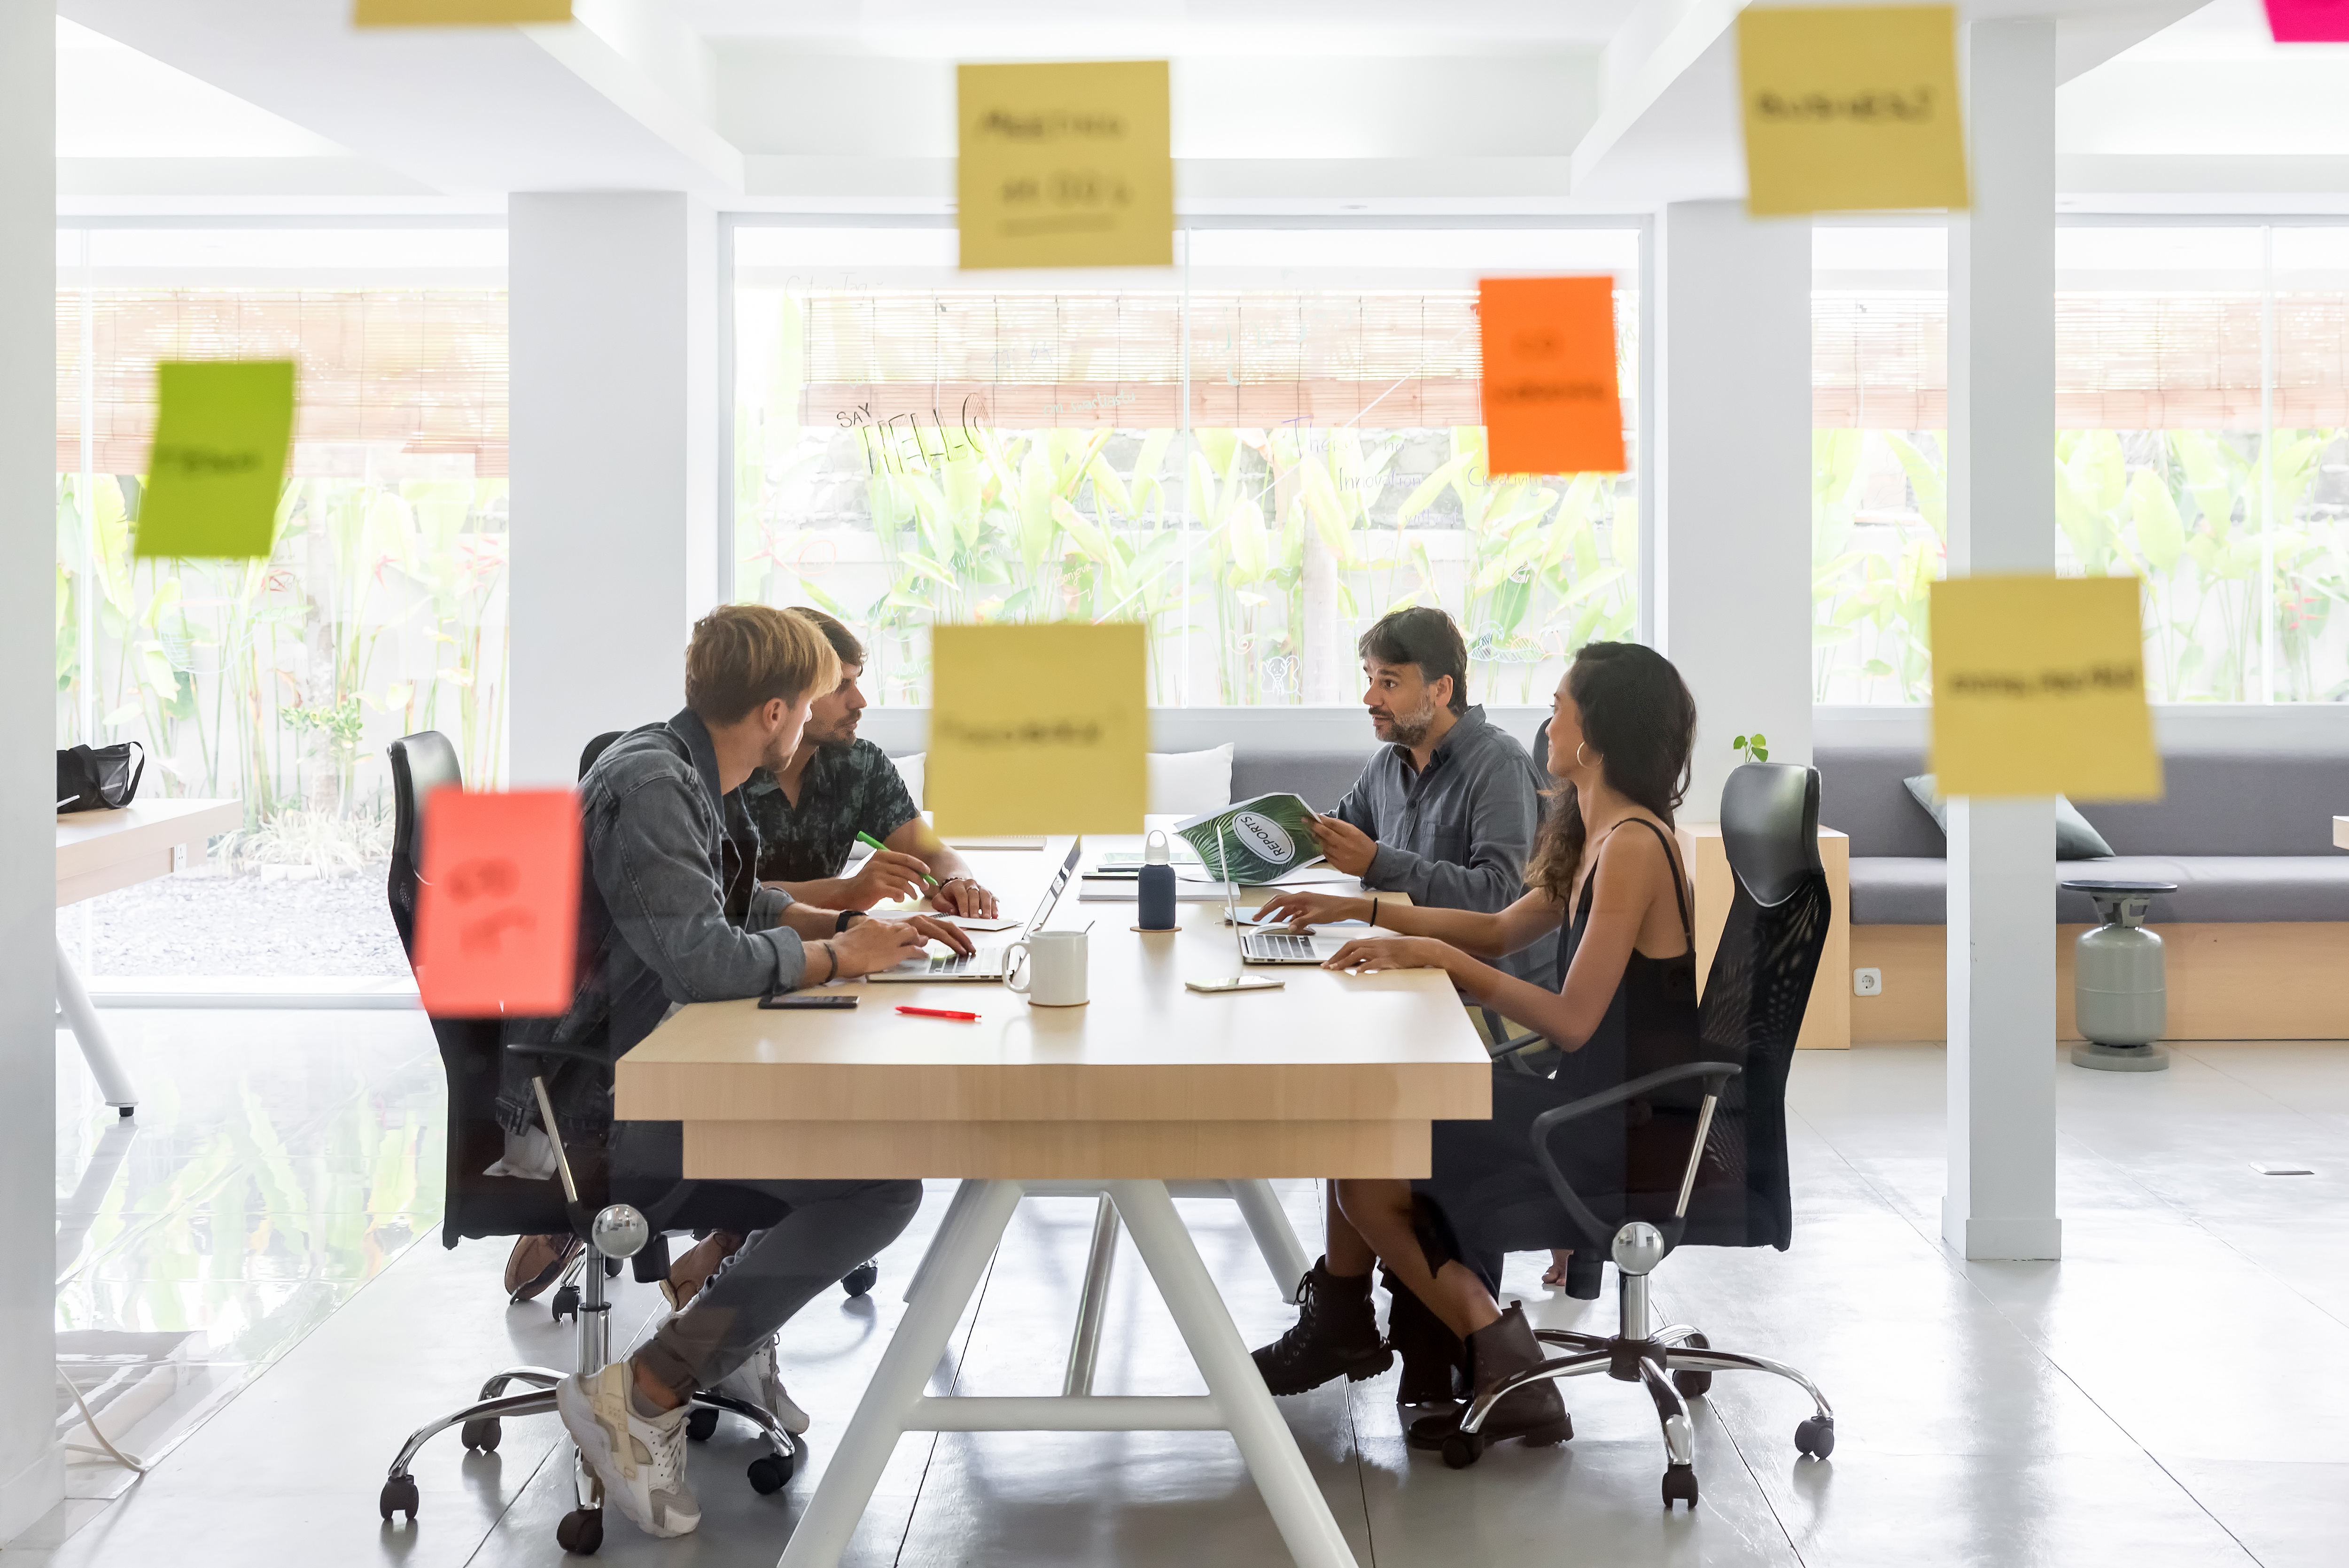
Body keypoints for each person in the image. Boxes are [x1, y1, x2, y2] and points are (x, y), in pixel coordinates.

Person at [500, 603, 976, 1540]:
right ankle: (648, 1388)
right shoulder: (651, 785)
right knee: (874, 1189)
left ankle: (719, 1341)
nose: (815, 721)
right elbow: (706, 960)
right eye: (811, 701)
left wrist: (851, 932)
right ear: (772, 712)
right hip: (600, 1108)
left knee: (863, 1163)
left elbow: (733, 901)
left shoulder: (674, 765)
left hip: (638, 1069)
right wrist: (843, 959)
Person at [1250, 642, 1699, 1454]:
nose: (1549, 721)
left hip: (1618, 1122)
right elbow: (1498, 927)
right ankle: (1478, 1350)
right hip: (1593, 1097)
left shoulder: (1633, 845)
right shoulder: (1598, 830)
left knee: (1369, 1159)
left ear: (1594, 734)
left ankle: (1493, 1349)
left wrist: (1444, 961)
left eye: (1561, 705)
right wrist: (1365, 912)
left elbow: (1570, 1019)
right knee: (1373, 1138)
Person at [1309, 607, 1546, 986]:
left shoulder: (1501, 767)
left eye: (1389, 683)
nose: (1370, 697)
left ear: (1441, 690)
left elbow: (1496, 900)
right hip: (1400, 963)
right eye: (1369, 678)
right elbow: (1333, 836)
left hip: (1477, 993)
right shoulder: (1387, 763)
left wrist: (1376, 863)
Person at [742, 607, 1001, 919]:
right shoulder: (727, 771)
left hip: (828, 946)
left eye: (856, 682)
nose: (860, 702)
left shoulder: (859, 764)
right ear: (785, 694)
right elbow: (725, 896)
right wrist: (847, 891)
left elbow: (930, 853)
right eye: (839, 687)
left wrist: (957, 883)